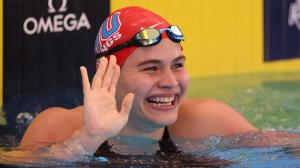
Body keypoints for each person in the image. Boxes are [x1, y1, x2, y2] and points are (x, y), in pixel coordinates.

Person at [19, 6, 257, 160]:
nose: (171, 82)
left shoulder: (207, 121)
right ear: (107, 72)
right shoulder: (57, 128)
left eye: (177, 65)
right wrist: (86, 140)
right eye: (151, 68)